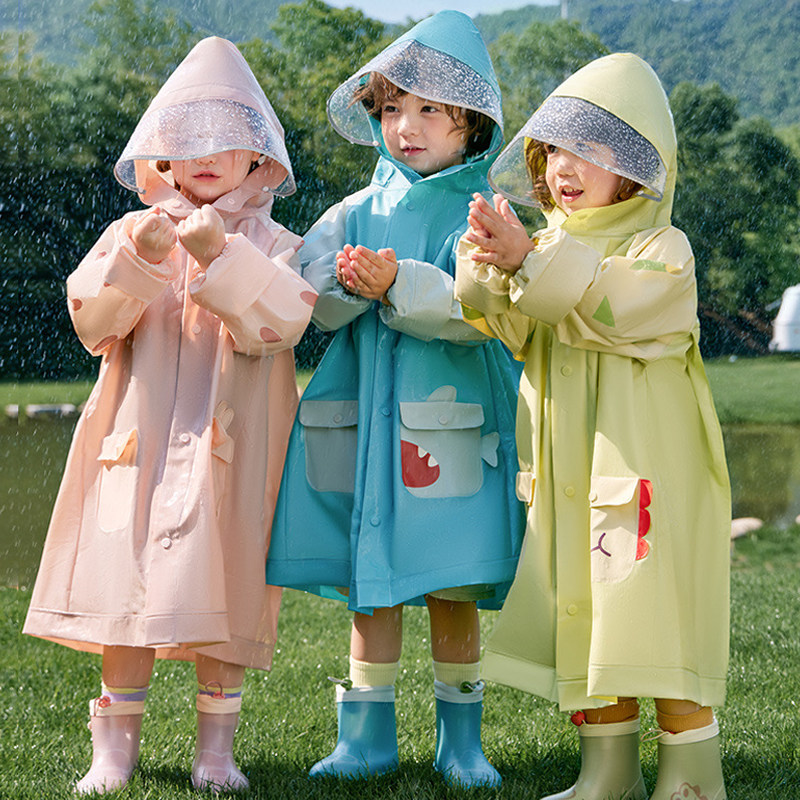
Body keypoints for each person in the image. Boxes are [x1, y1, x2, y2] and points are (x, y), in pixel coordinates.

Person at [23, 37, 316, 794]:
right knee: (127, 591)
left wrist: (223, 256)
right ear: (162, 155)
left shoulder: (276, 244)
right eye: (188, 141)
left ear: (259, 158)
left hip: (231, 445)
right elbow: (93, 322)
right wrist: (143, 259)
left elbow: (279, 325)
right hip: (138, 442)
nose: (208, 156)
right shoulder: (132, 231)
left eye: (228, 141)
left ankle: (215, 751)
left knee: (225, 588)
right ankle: (112, 751)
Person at [455, 53, 730, 800]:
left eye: (596, 152)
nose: (567, 168)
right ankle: (606, 773)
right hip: (569, 476)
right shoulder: (545, 245)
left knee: (655, 615)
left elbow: (612, 308)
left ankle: (691, 776)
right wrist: (486, 257)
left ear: (639, 172)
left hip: (642, 474)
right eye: (556, 151)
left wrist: (529, 260)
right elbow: (503, 319)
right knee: (587, 619)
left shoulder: (661, 249)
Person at [264, 10, 523, 788]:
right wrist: (346, 284)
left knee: (449, 578)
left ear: (471, 125)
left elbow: (483, 313)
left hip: (448, 415)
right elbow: (306, 298)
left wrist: (400, 285)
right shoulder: (352, 210)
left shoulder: (482, 213)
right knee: (369, 580)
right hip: (364, 410)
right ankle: (365, 736)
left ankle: (461, 739)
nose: (404, 128)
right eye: (389, 111)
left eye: (427, 111)